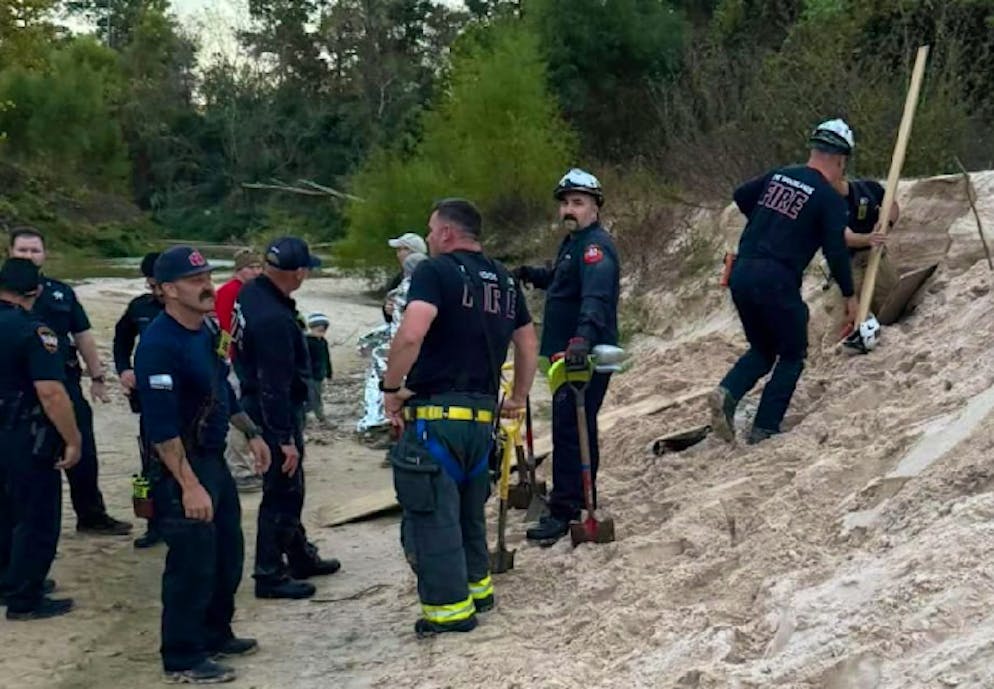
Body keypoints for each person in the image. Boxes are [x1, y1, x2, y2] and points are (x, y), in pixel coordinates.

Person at [381, 198, 538, 637]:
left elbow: (412, 333)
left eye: (431, 230)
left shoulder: (435, 272)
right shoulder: (505, 281)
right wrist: (520, 396)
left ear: (448, 233)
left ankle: (449, 613)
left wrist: (391, 389)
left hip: (436, 419)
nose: (429, 238)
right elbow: (527, 343)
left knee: (432, 518)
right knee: (470, 513)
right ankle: (478, 591)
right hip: (480, 422)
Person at [135, 246, 271, 684]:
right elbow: (160, 429)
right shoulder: (158, 345)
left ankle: (216, 632)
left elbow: (222, 390)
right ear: (168, 290)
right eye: (194, 280)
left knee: (227, 552)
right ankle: (182, 656)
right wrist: (188, 485)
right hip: (179, 467)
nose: (206, 285)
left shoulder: (206, 328)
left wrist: (251, 433)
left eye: (207, 276)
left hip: (212, 460)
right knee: (191, 562)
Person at [710, 119, 858, 445]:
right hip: (777, 278)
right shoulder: (828, 198)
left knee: (763, 349)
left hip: (742, 271)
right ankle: (765, 427)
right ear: (839, 159)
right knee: (792, 353)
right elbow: (835, 249)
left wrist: (773, 219)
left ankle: (727, 392)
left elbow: (741, 195)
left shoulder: (779, 175)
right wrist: (849, 294)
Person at [513, 169, 620, 546]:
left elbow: (596, 298)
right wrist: (532, 275)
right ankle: (574, 498)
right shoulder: (573, 244)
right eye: (565, 203)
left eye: (577, 202)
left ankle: (565, 510)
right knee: (572, 427)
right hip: (565, 354)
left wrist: (582, 340)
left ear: (595, 207)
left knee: (571, 429)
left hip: (581, 355)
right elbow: (563, 280)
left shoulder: (595, 247)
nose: (569, 209)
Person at [233, 237, 341, 600]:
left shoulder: (253, 294)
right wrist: (283, 439)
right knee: (283, 490)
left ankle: (298, 554)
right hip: (272, 409)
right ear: (297, 273)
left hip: (259, 399)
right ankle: (269, 572)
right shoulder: (273, 319)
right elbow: (273, 385)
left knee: (288, 488)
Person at [9, 227, 132, 536]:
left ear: (44, 254)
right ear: (10, 253)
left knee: (83, 451)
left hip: (63, 381)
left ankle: (91, 515)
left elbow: (83, 336)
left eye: (34, 250)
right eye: (22, 250)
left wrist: (98, 376)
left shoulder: (60, 292)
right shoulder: (5, 292)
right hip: (15, 390)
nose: (29, 256)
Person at [0, 257, 82, 620]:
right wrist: (73, 438)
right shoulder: (33, 331)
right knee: (36, 516)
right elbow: (51, 393)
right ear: (35, 291)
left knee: (3, 512)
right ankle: (25, 597)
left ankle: (8, 580)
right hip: (24, 432)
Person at [113, 251, 165, 548]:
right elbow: (121, 341)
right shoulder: (139, 308)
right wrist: (124, 369)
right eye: (154, 282)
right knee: (148, 466)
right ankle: (151, 523)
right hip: (148, 397)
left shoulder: (191, 307)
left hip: (189, 400)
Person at [214, 248, 264, 493]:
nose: (256, 271)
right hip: (234, 360)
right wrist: (225, 358)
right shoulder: (228, 293)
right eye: (251, 267)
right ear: (239, 269)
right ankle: (239, 468)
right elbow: (224, 328)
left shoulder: (257, 291)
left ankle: (256, 462)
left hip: (254, 361)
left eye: (259, 267)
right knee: (237, 413)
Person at [835, 177, 901, 315]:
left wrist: (886, 225)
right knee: (846, 310)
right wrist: (868, 238)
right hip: (848, 260)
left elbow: (892, 206)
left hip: (876, 254)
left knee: (891, 298)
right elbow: (846, 237)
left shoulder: (869, 188)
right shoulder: (827, 202)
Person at [382, 232, 428, 323]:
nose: (400, 254)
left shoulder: (428, 275)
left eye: (405, 249)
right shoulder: (399, 278)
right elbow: (388, 306)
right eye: (398, 250)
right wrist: (388, 309)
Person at [304, 313, 332, 427]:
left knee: (316, 396)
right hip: (309, 375)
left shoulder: (323, 342)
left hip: (319, 375)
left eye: (324, 330)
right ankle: (320, 418)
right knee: (312, 398)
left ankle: (311, 415)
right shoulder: (306, 342)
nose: (321, 332)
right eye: (319, 329)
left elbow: (327, 358)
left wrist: (329, 372)